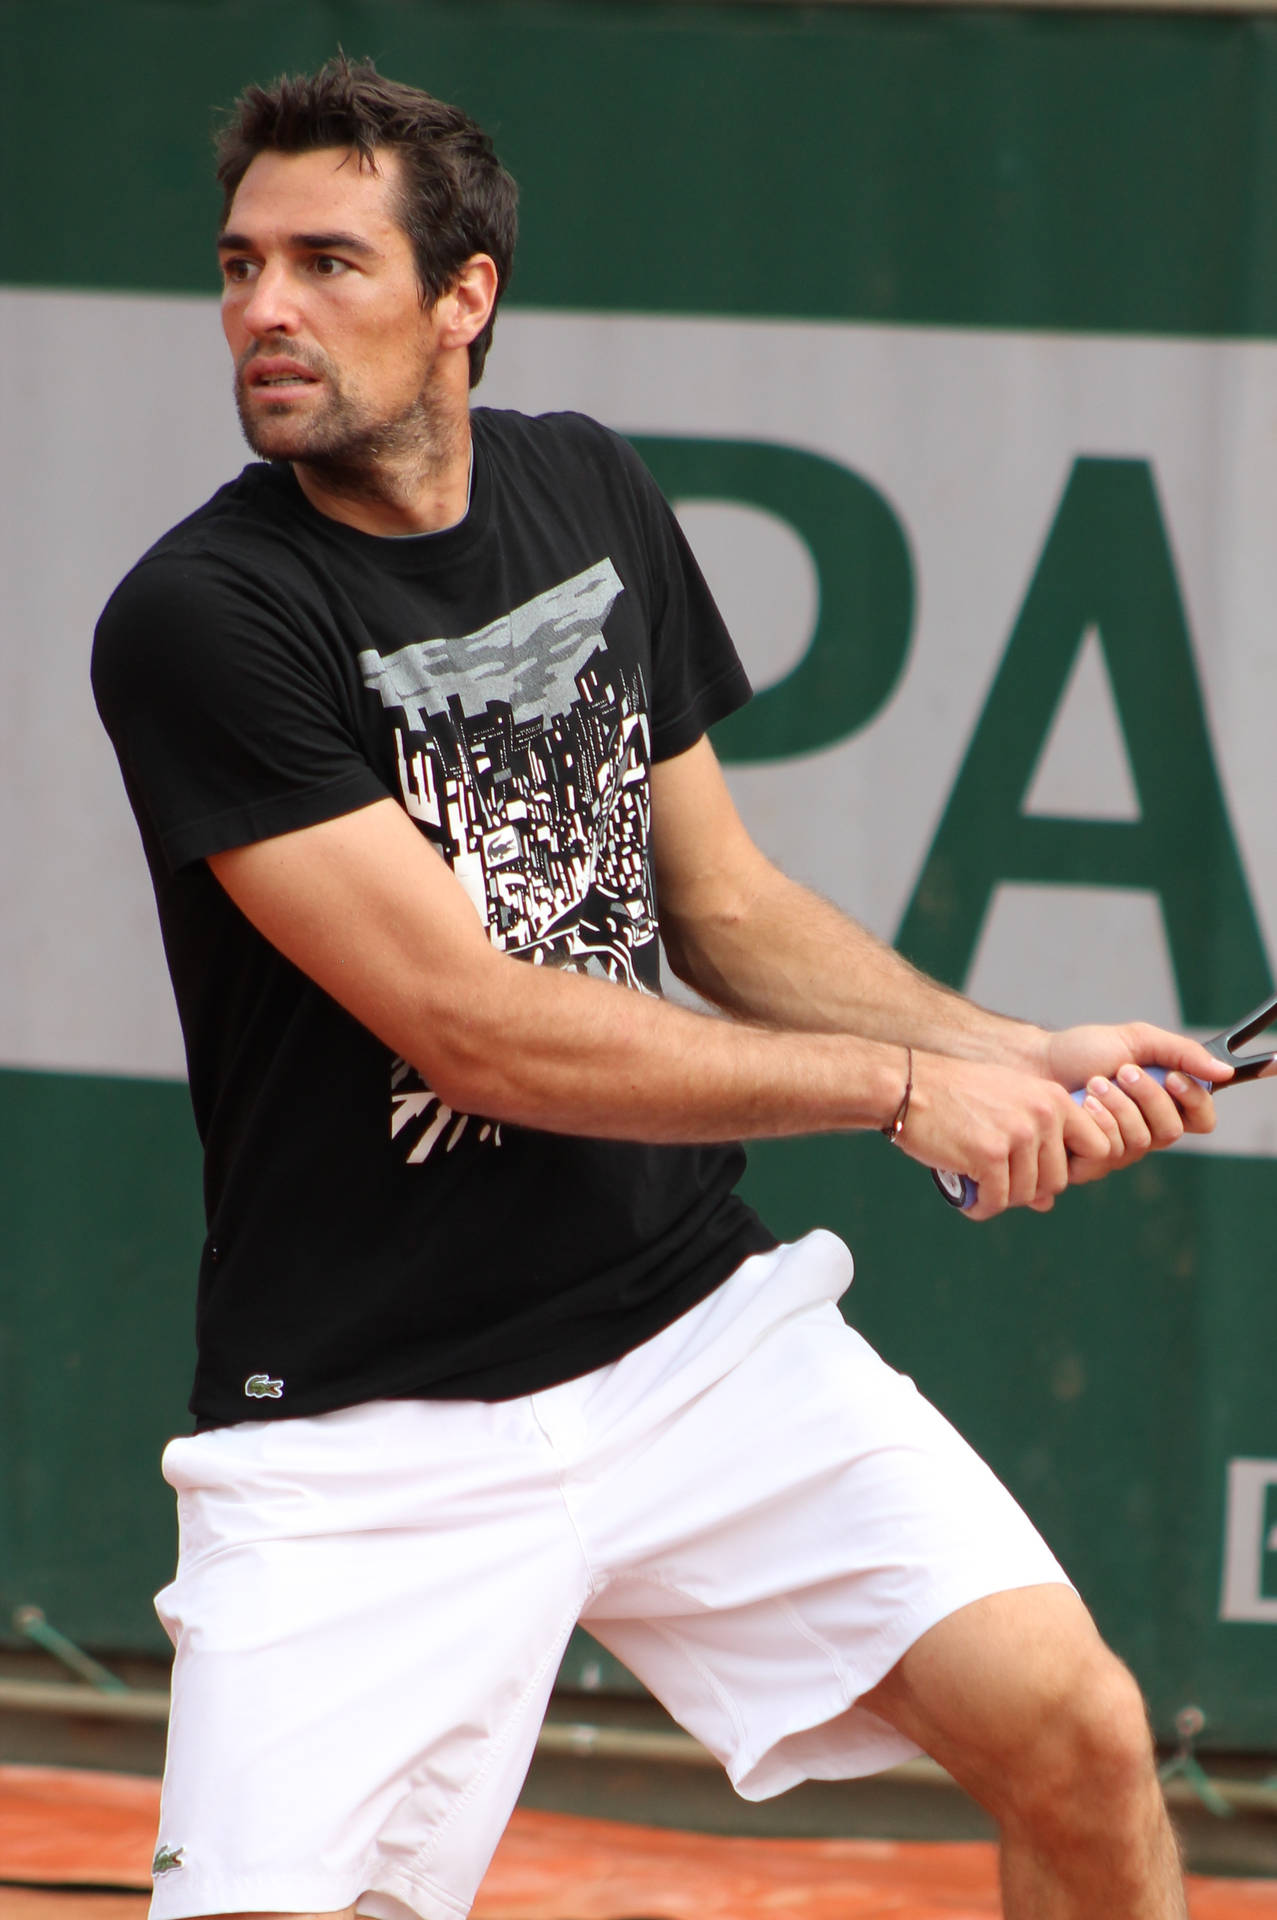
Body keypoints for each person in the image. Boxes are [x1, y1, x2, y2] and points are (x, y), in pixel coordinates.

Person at [92, 56, 1228, 1920]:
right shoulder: (205, 619)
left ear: (464, 298)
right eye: (238, 266)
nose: (263, 312)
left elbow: (719, 900)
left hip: (692, 1337)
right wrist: (892, 1093)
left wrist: (1004, 1046)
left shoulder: (582, 488)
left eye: (325, 264)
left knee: (1078, 1737)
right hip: (373, 1429)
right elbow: (473, 1026)